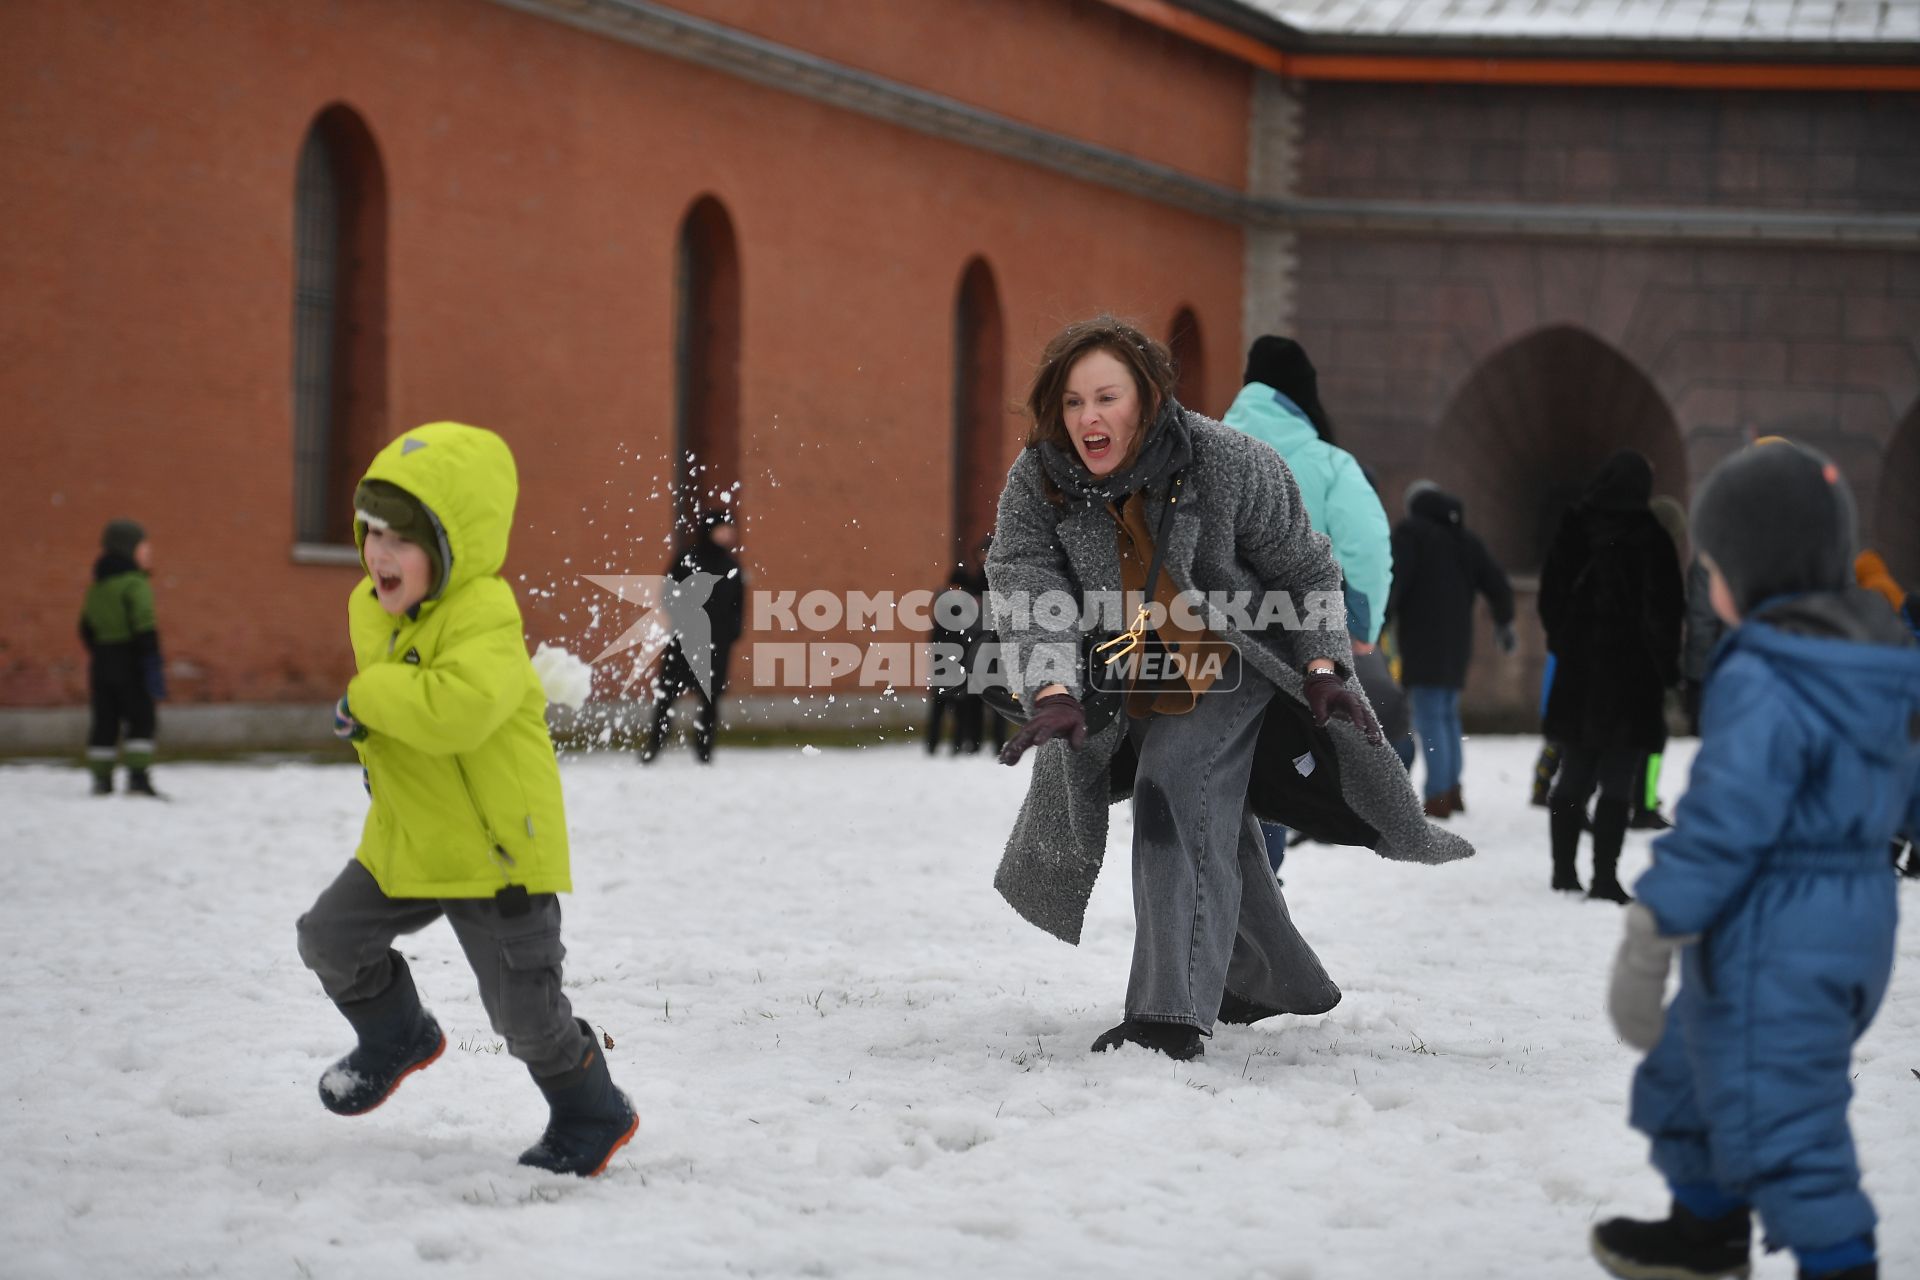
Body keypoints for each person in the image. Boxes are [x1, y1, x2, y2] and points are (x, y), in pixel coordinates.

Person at [985, 316, 1471, 1062]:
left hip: (1233, 660)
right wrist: (1051, 687)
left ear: (1146, 398)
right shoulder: (1041, 480)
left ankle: (1166, 1017)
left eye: (1106, 397)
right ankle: (1273, 979)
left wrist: (1321, 669)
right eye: (1073, 402)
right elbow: (1025, 581)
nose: (1088, 418)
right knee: (1212, 822)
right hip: (1126, 672)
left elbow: (1307, 571)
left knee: (1174, 788)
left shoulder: (1229, 462)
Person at [1595, 441, 1919, 1280]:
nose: (1708, 583)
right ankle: (1705, 1229)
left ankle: (1838, 1262)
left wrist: (1654, 922)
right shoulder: (1872, 664)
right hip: (1844, 921)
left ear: (1751, 571)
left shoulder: (1772, 675)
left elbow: (1725, 820)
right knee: (1694, 1072)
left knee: (1784, 1120)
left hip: (1783, 932)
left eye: (1713, 568)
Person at [295, 421, 638, 1177]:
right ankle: (397, 1034)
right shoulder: (373, 609)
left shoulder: (485, 613)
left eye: (402, 537)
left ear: (453, 547)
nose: (379, 553)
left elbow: (456, 709)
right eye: (371, 530)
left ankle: (592, 1109)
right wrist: (367, 721)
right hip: (411, 838)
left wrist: (368, 696)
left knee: (524, 1017)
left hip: (496, 852)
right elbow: (400, 711)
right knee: (329, 938)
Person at [1222, 335, 1397, 874]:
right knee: (1274, 759)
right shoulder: (1328, 463)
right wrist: (1361, 627)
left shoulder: (1208, 447)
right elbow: (1365, 547)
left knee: (1214, 765)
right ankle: (1260, 904)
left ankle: (1207, 908)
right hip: (1293, 639)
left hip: (1207, 637)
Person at [1538, 451, 1684, 902]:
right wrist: (1666, 671)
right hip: (1632, 679)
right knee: (1619, 780)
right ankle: (1605, 877)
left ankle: (1564, 872)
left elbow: (1550, 596)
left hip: (1581, 674)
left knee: (1574, 770)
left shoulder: (1574, 526)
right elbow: (1666, 614)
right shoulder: (1653, 538)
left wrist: (1566, 643)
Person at [1388, 481, 1516, 818]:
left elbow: (1395, 581)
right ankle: (1452, 789)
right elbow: (1498, 584)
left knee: (1429, 717)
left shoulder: (1411, 535)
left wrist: (1378, 622)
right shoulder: (1465, 540)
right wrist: (1504, 622)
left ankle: (1438, 795)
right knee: (1446, 716)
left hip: (1421, 642)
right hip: (1457, 644)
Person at [641, 507, 745, 764]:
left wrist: (731, 633)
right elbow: (668, 594)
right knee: (667, 695)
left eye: (729, 528)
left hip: (717, 645)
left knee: (710, 700)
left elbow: (738, 606)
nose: (728, 533)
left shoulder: (732, 566)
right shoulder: (687, 559)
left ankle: (704, 750)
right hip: (685, 640)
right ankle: (655, 745)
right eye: (723, 528)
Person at [80, 518, 166, 797]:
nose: (148, 551)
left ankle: (101, 780)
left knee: (104, 720)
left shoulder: (97, 587)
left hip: (102, 662)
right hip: (131, 660)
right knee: (141, 718)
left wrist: (102, 651)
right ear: (128, 549)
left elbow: (85, 627)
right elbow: (144, 624)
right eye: (143, 547)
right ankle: (138, 778)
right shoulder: (135, 584)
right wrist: (151, 663)